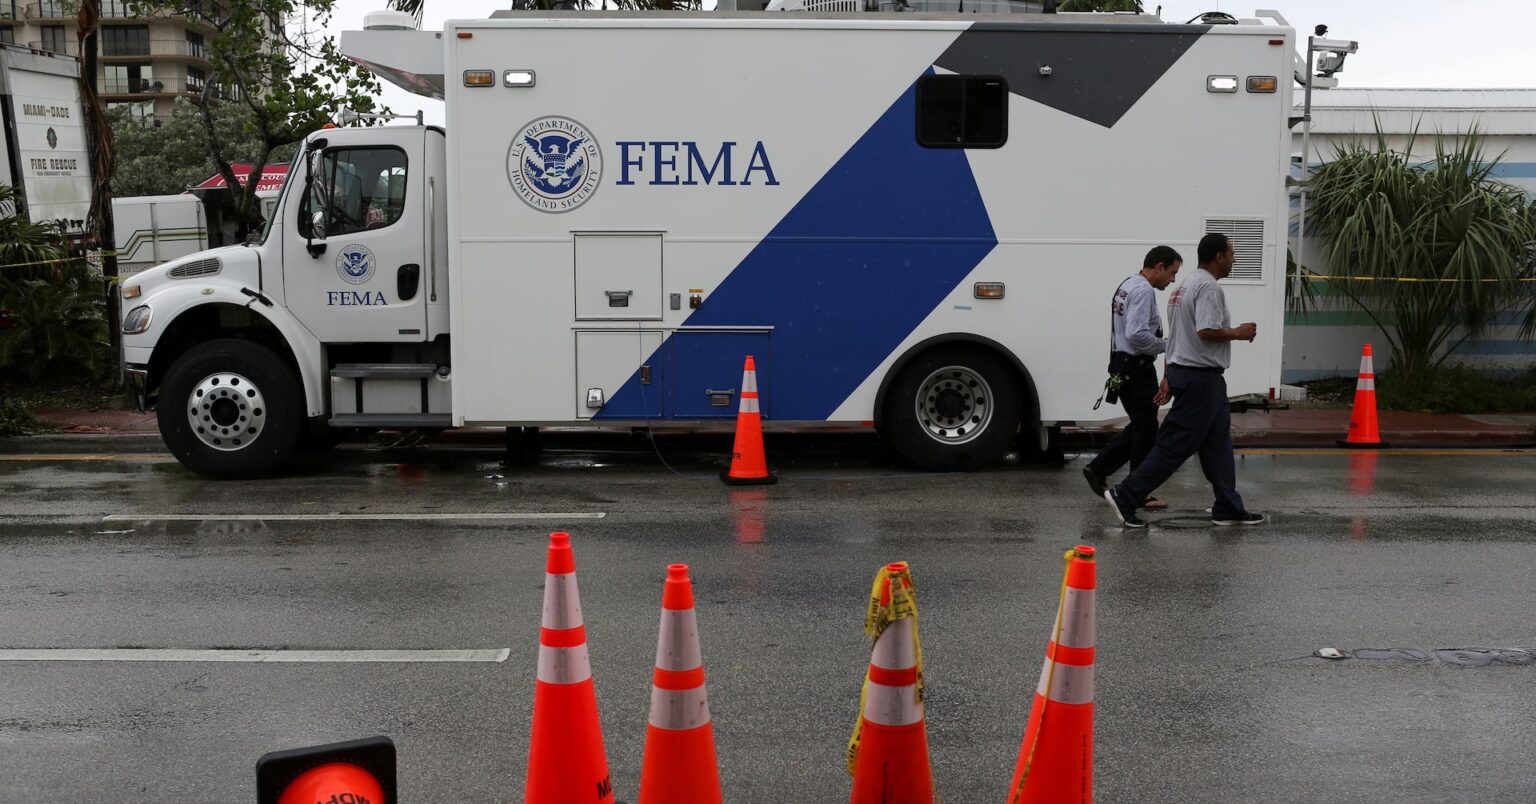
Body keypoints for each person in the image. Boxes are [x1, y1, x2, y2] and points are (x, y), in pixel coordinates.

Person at [1103, 232, 1266, 528]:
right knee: (1174, 446)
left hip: (1195, 375)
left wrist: (1168, 374)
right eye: (1231, 254)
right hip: (1200, 378)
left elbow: (1176, 337)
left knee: (1217, 444)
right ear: (1219, 256)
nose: (1234, 259)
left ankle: (1228, 506)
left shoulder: (1184, 286)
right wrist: (1238, 333)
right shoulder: (1207, 287)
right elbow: (1205, 330)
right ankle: (1126, 494)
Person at [1082, 246, 1182, 510]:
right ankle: (1135, 491)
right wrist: (1167, 345)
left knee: (1142, 426)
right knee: (1147, 428)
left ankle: (1100, 470)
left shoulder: (1127, 284)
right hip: (1136, 367)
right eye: (1172, 273)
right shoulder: (1143, 291)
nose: (1172, 280)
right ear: (1159, 266)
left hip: (1123, 364)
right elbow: (1137, 334)